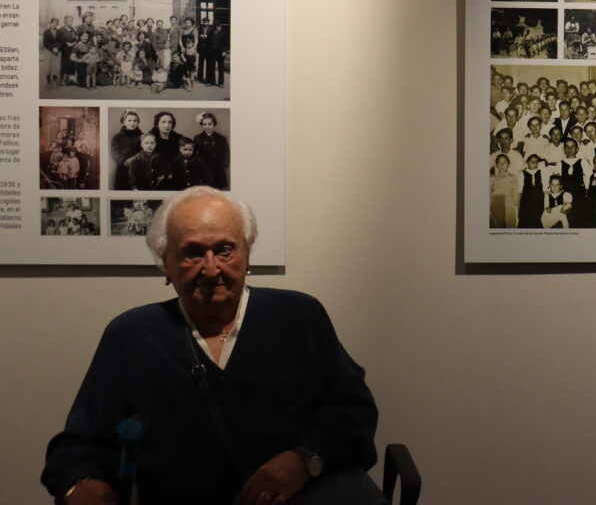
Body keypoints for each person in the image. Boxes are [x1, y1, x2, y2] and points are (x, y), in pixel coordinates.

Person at [42, 188, 379, 505]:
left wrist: (304, 460)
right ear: (166, 263)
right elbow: (80, 442)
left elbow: (354, 411)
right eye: (192, 253)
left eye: (224, 249)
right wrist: (81, 483)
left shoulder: (299, 316)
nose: (211, 268)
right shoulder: (132, 335)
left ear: (247, 254)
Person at [111, 110, 144, 190]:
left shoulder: (142, 136)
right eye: (129, 120)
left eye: (135, 121)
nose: (132, 123)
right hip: (123, 169)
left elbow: (145, 151)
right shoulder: (117, 137)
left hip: (138, 168)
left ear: (138, 122)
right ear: (124, 122)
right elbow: (114, 153)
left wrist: (133, 159)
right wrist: (124, 161)